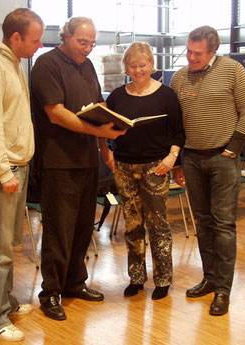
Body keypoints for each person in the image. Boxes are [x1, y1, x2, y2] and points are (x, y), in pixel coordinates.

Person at [30, 17, 125, 321]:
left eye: (92, 43)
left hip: (87, 160)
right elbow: (56, 114)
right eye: (82, 42)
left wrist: (104, 148)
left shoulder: (87, 66)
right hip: (58, 161)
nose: (87, 48)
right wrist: (101, 135)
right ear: (66, 36)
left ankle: (74, 283)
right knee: (59, 229)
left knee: (84, 227)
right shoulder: (46, 64)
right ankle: (51, 293)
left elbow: (98, 109)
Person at [170, 26, 245, 315]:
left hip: (223, 158)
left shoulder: (233, 71)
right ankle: (209, 278)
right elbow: (177, 123)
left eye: (198, 53)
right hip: (192, 159)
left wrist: (233, 148)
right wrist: (180, 160)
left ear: (212, 51)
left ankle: (223, 289)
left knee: (223, 225)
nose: (191, 57)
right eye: (188, 51)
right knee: (203, 223)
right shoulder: (179, 78)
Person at [0, 8, 44, 342]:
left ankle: (5, 300)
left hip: (17, 165)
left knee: (10, 243)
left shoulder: (13, 65)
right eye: (35, 39)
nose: (39, 45)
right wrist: (3, 171)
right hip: (3, 169)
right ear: (15, 37)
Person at [99, 42, 185, 300]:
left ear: (152, 65)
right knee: (133, 224)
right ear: (126, 67)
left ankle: (163, 279)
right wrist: (108, 151)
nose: (138, 71)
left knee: (158, 225)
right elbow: (106, 128)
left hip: (156, 167)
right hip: (124, 166)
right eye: (133, 66)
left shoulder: (166, 95)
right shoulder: (117, 95)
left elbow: (179, 131)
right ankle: (136, 277)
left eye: (142, 65)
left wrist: (172, 158)